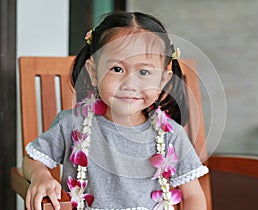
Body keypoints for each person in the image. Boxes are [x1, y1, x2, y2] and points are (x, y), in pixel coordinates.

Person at [23, 11, 209, 210]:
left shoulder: (169, 135)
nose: (130, 83)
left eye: (144, 72)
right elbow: (32, 161)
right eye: (117, 69)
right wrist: (39, 176)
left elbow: (192, 196)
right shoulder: (72, 124)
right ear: (94, 73)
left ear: (163, 80)